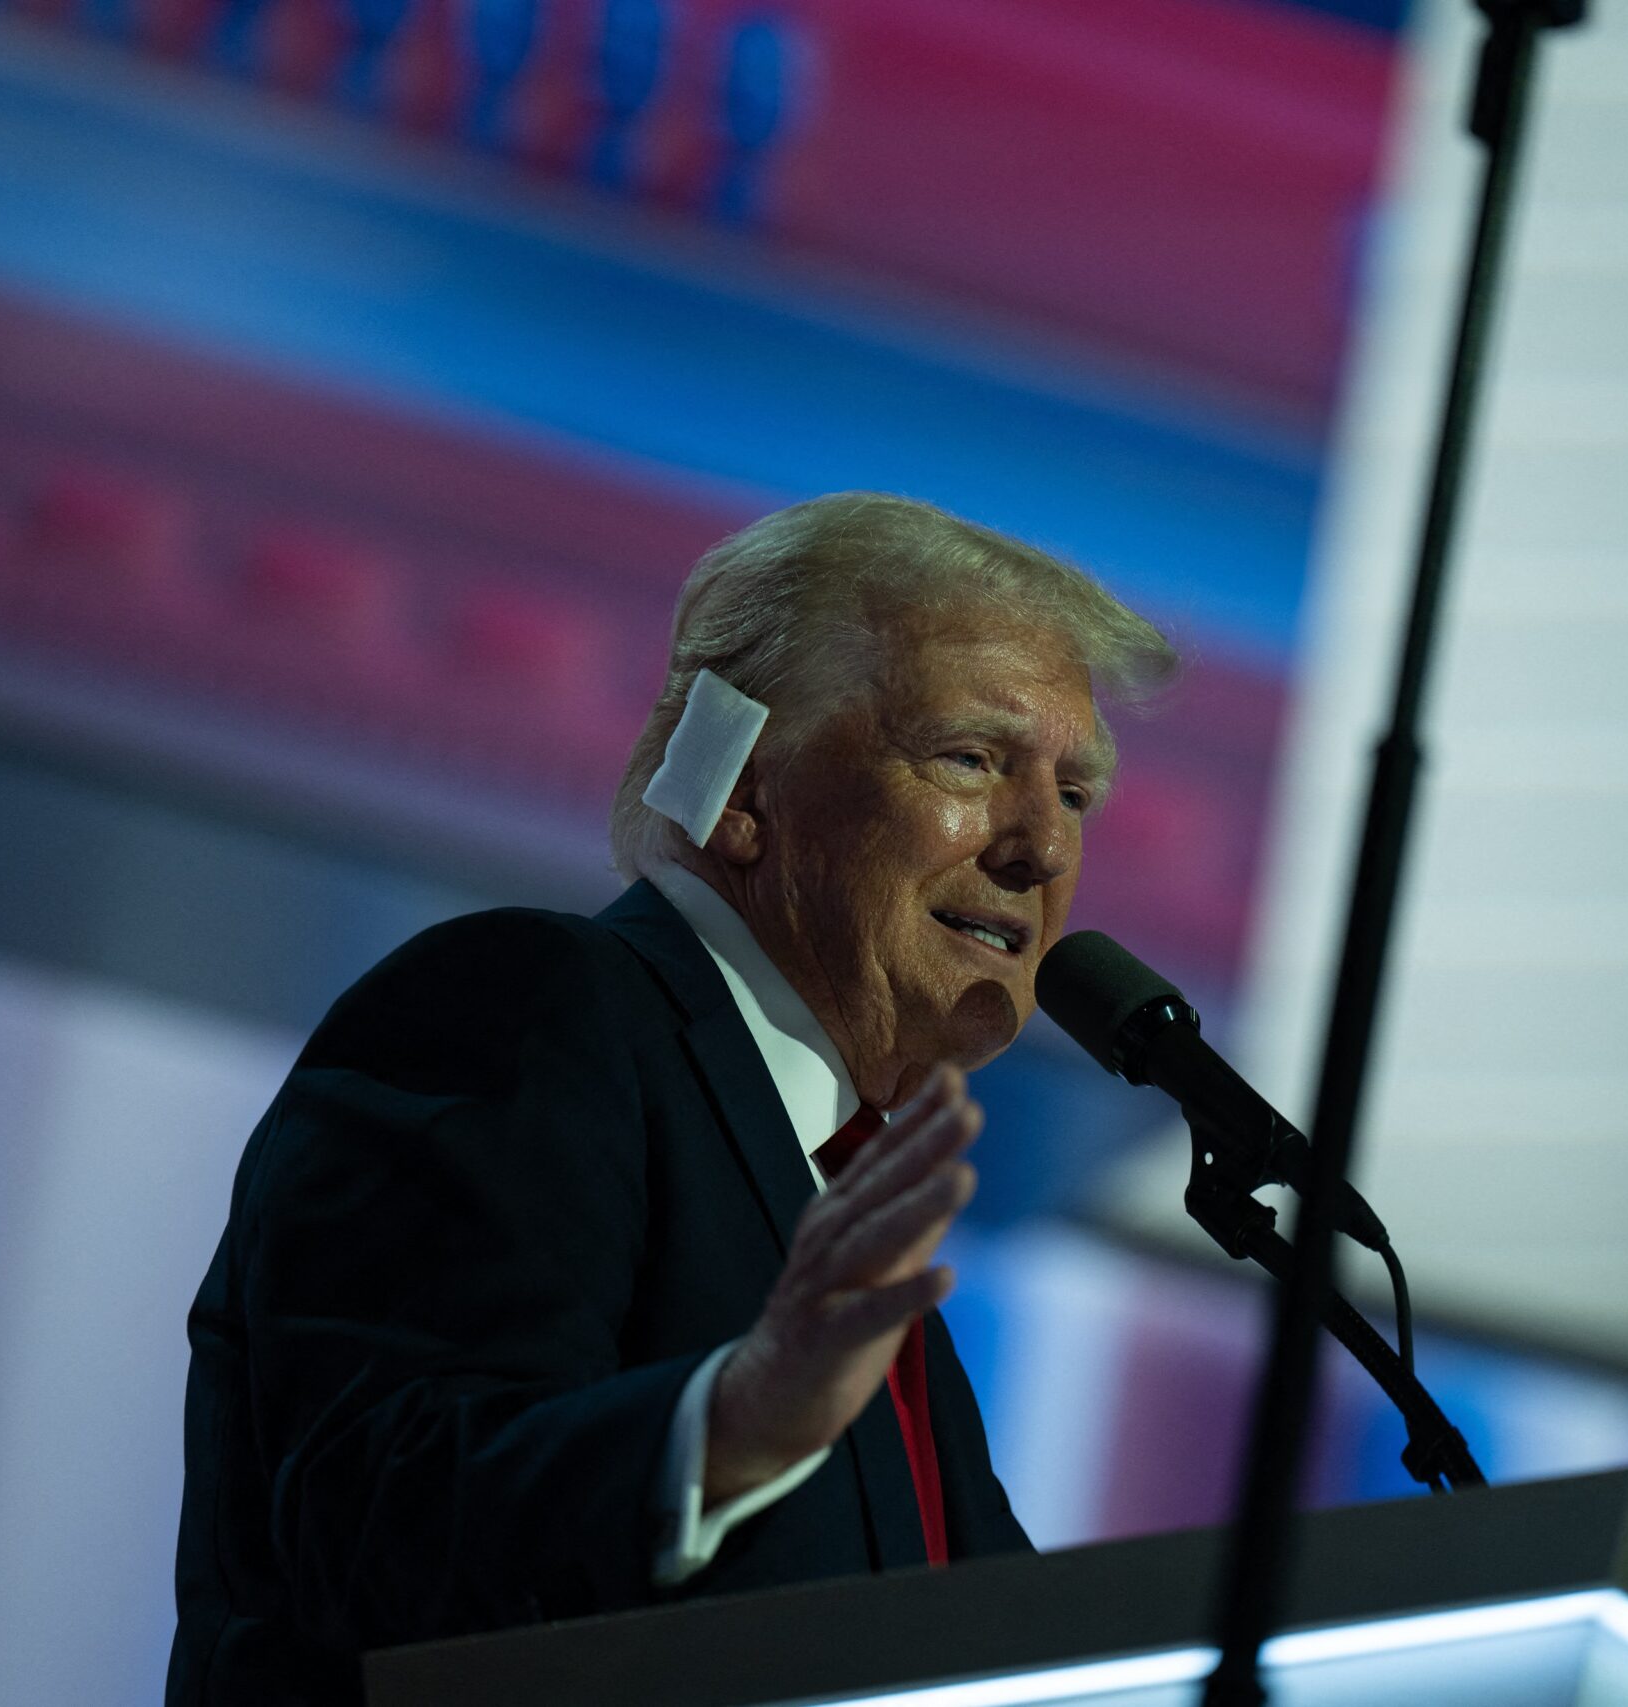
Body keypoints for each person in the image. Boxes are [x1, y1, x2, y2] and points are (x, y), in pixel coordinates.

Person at [166, 493, 1178, 1704]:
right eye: (969, 758)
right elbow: (366, 1524)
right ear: (742, 783)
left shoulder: (841, 1205)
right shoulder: (532, 1007)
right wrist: (729, 1427)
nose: (1043, 850)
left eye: (1074, 795)